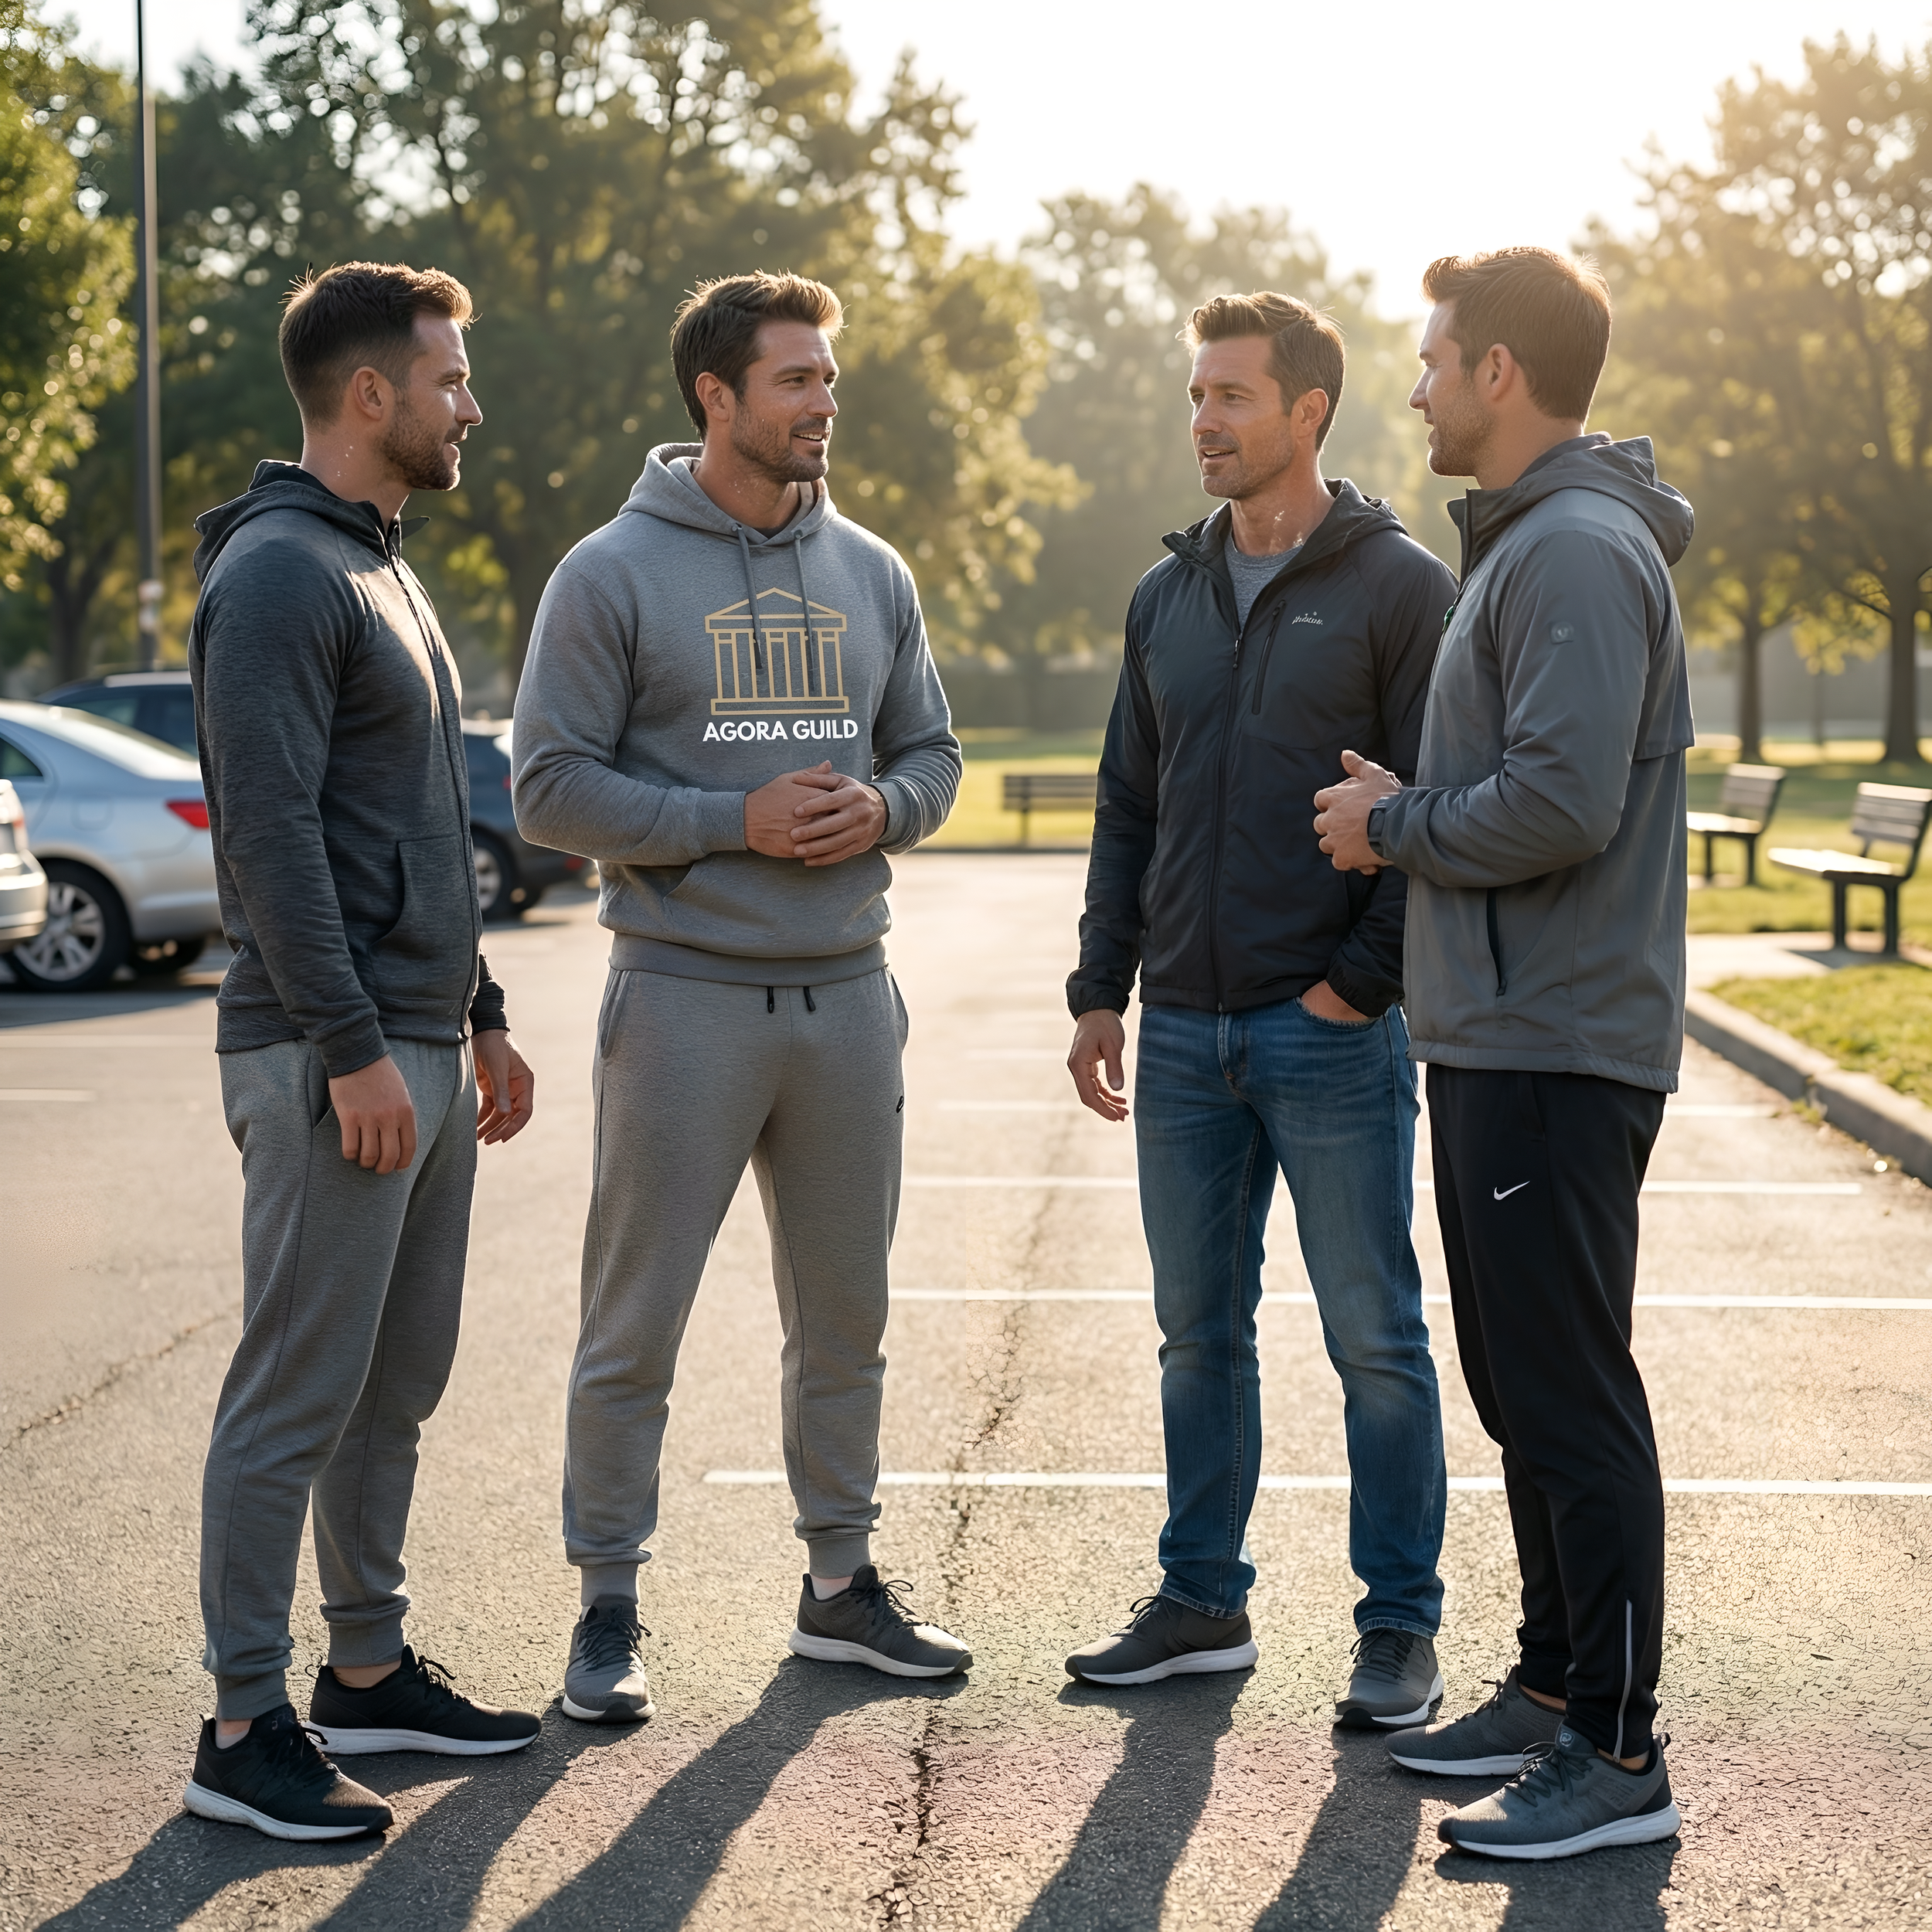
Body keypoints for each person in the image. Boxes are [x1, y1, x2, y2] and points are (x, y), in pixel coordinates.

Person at [512, 270, 969, 1720]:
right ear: (716, 396)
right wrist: (732, 822)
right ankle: (605, 1611)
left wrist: (885, 810)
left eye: (828, 379)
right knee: (633, 1322)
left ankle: (842, 1589)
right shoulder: (609, 573)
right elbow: (544, 786)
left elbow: (937, 756)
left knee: (846, 1322)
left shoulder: (873, 570)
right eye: (796, 381)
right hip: (685, 997)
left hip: (849, 997)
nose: (824, 403)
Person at [1314, 246, 1692, 1859]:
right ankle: (1549, 1691)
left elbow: (1559, 801)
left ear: (1497, 374)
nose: (1410, 386)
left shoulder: (1581, 551)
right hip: (1498, 1036)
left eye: (1427, 358)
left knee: (1563, 1387)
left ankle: (1612, 1753)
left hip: (1554, 1038)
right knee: (1515, 1384)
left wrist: (1386, 822)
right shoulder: (1537, 544)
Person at [1062, 292, 1457, 1726]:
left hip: (1330, 1033)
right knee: (1197, 1336)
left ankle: (1400, 1626)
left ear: (1308, 412)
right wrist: (1103, 985)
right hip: (1183, 1034)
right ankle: (1200, 1602)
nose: (1204, 422)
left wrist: (1361, 986)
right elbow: (1129, 804)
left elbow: (1431, 804)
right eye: (1198, 395)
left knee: (1376, 1340)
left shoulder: (1401, 587)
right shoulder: (1165, 595)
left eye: (1233, 396)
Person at [184, 262, 540, 1842]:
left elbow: (405, 827)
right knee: (297, 1386)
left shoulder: (377, 565)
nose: (471, 404)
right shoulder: (276, 574)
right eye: (450, 378)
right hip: (328, 1049)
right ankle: (243, 1718)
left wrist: (477, 1014)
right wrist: (349, 1045)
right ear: (371, 393)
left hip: (411, 1035)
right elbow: (265, 838)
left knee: (393, 1381)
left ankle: (369, 1663)